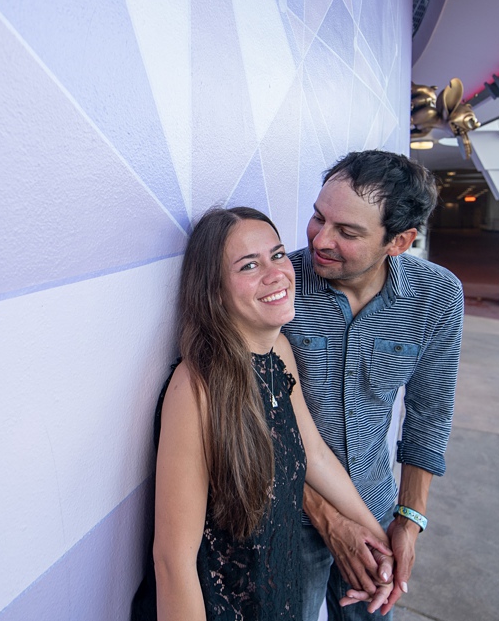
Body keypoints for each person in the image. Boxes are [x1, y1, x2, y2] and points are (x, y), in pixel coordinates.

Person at [140, 206, 397, 621]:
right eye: (249, 265)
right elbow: (173, 562)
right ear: (214, 290)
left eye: (278, 255)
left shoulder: (277, 351)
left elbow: (313, 453)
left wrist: (377, 540)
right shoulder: (196, 387)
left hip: (278, 596)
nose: (276, 273)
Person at [283, 151, 463, 620]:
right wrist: (328, 518)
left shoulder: (438, 296)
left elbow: (429, 413)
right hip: (286, 513)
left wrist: (409, 520)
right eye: (319, 217)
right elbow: (251, 418)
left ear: (399, 241)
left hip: (375, 510)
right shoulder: (278, 286)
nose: (321, 239)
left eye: (347, 232)